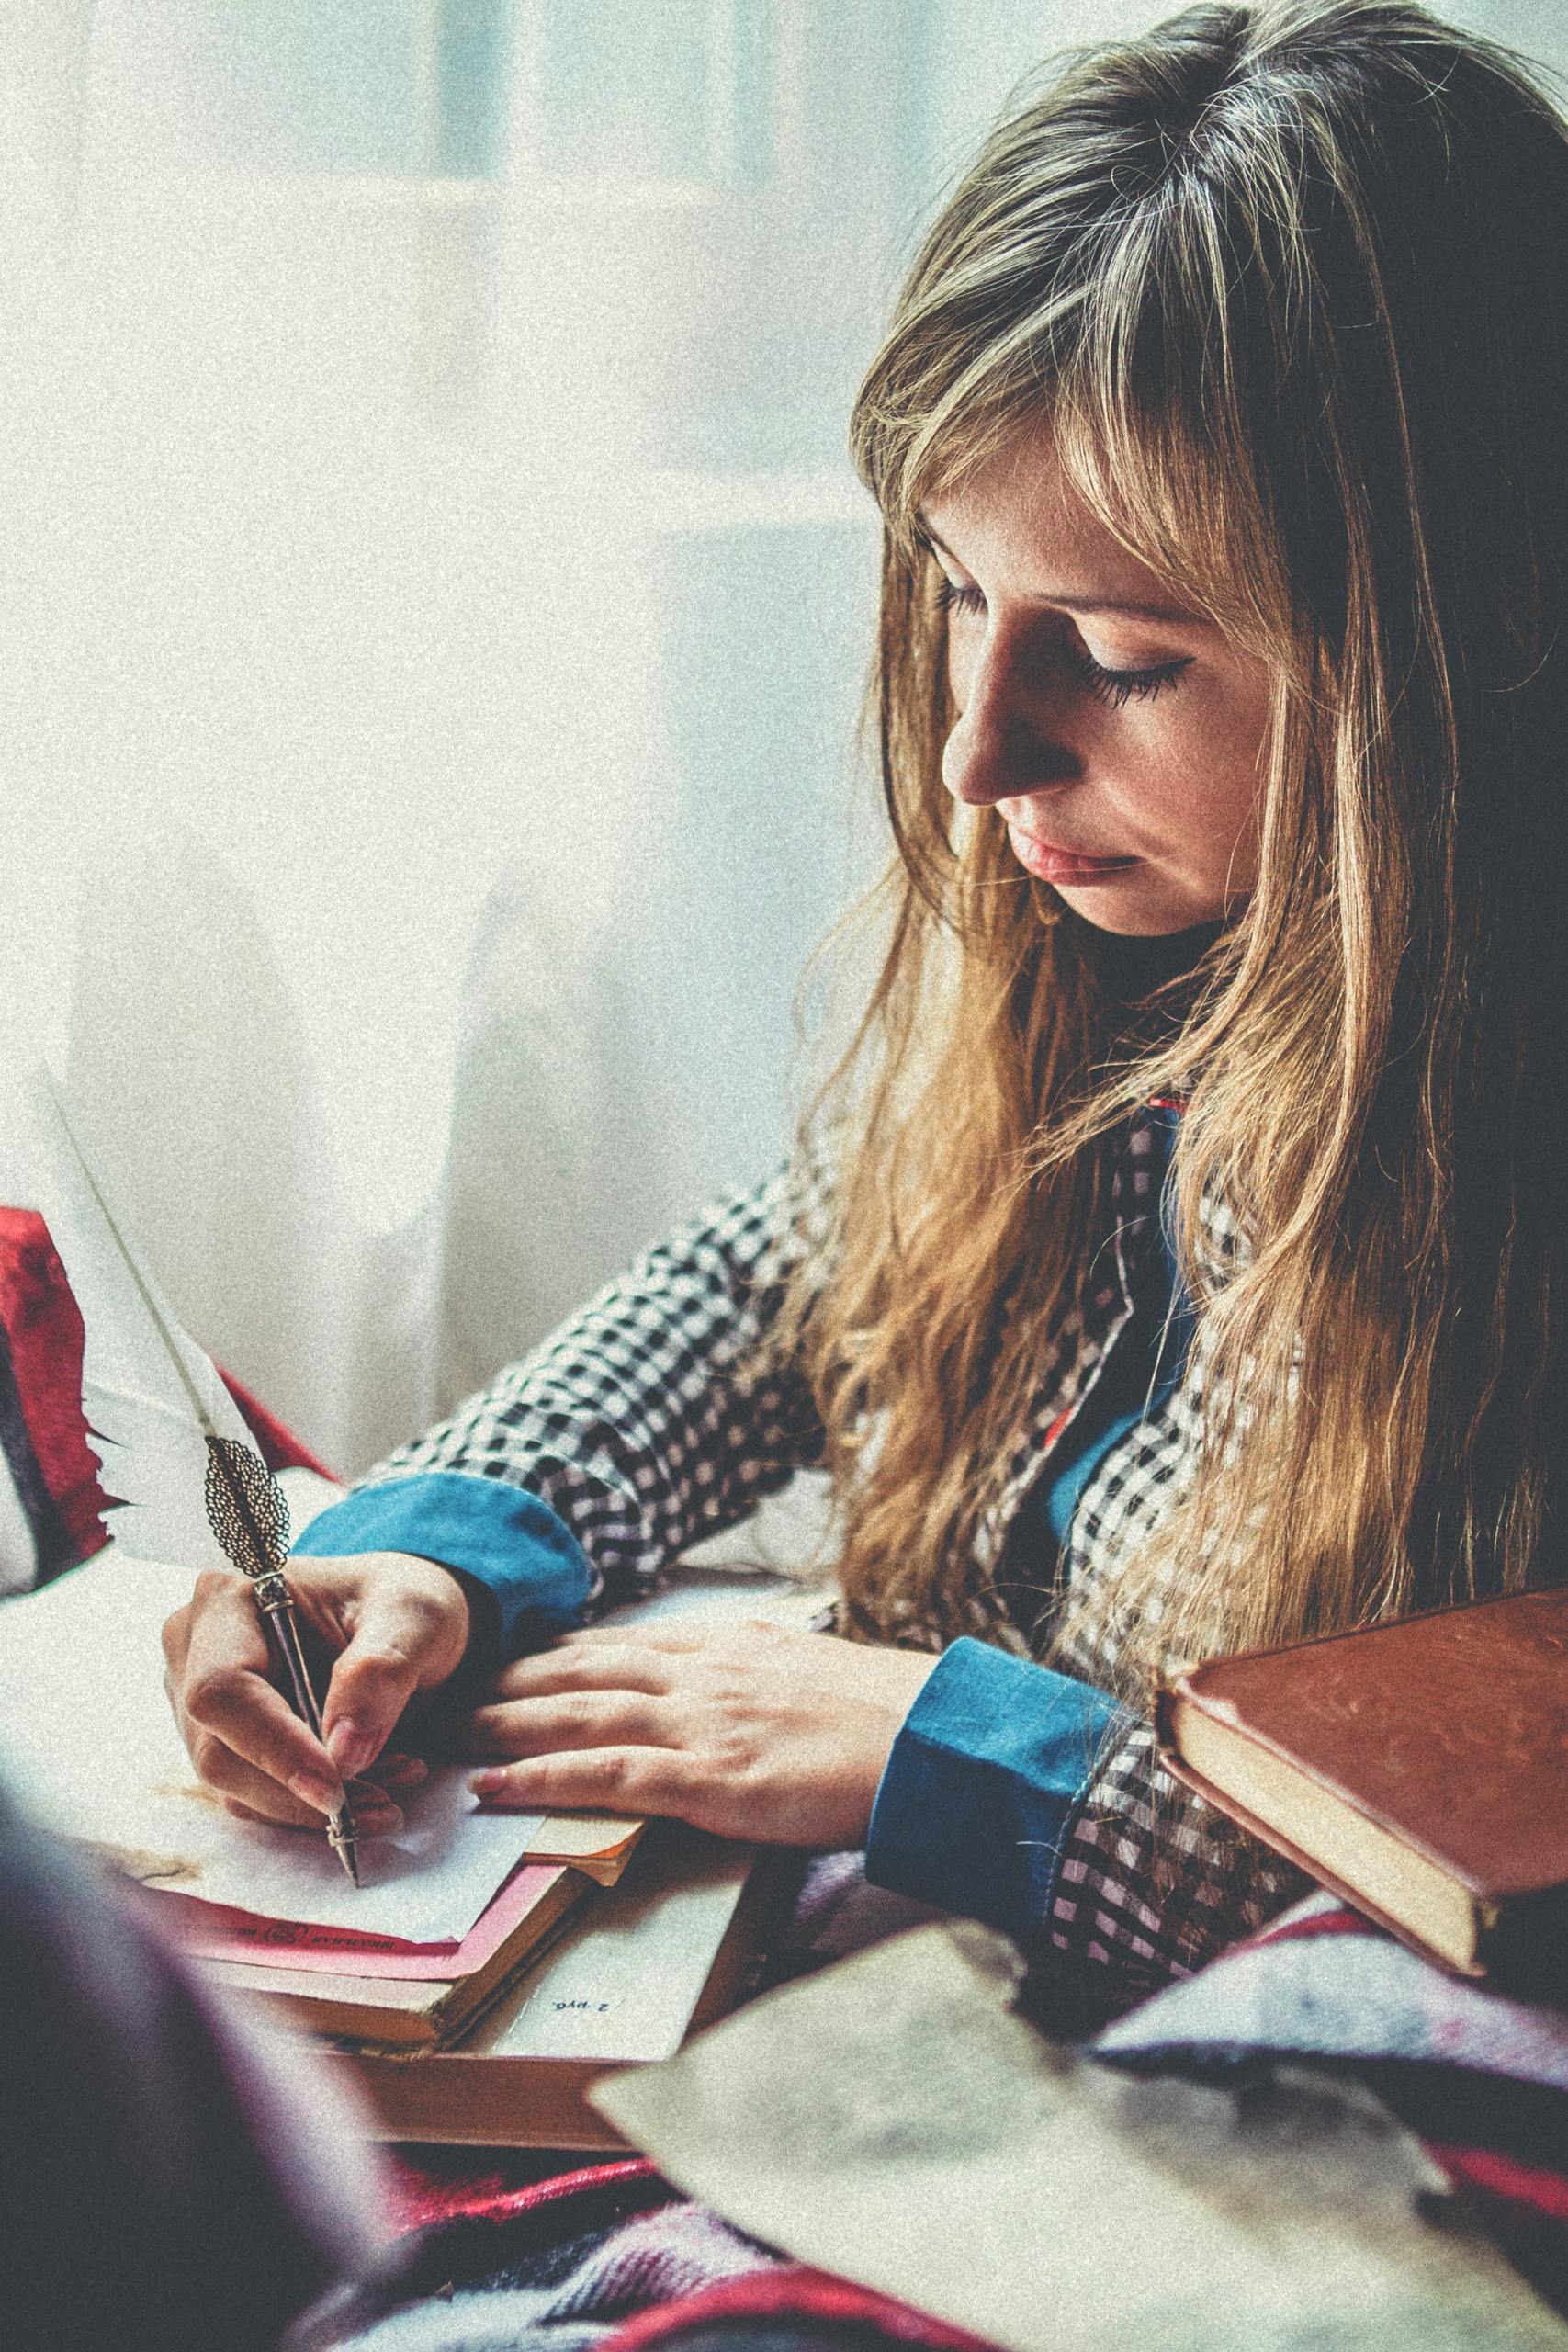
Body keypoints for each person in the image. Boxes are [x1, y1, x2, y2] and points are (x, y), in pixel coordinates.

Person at [162, 0, 1568, 2009]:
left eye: (1120, 654)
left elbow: (1479, 1910)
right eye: (952, 591)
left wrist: (939, 1749)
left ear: (1453, 655)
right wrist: (442, 1543)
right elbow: (797, 1271)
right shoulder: (1117, 957)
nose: (979, 747)